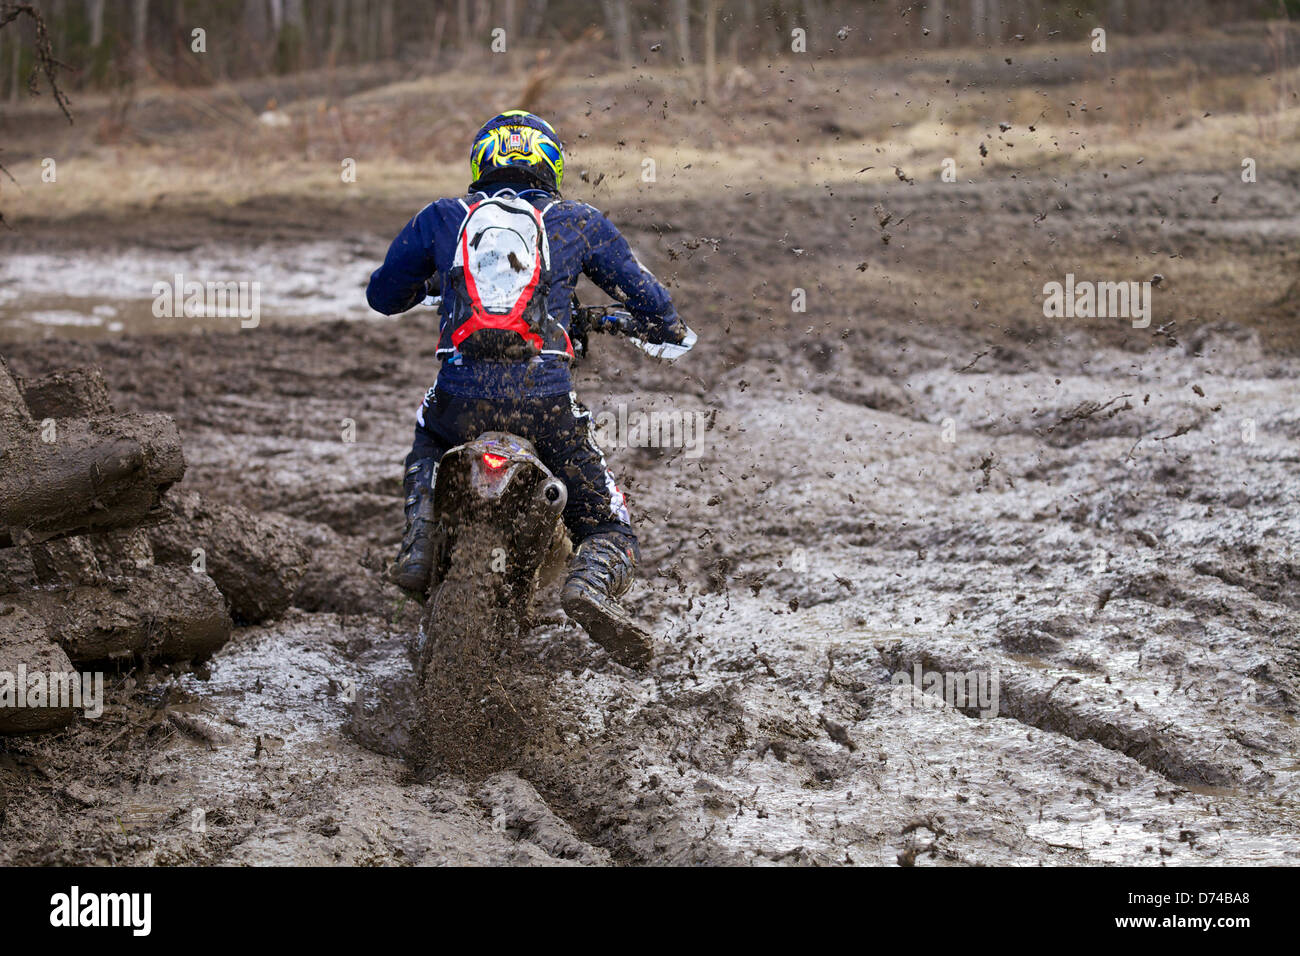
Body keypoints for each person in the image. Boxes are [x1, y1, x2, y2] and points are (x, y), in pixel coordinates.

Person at [365, 110, 694, 668]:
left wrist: (437, 284)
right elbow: (658, 313)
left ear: (480, 162)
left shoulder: (443, 217)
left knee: (428, 433)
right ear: (552, 166)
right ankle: (588, 584)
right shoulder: (577, 221)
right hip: (545, 405)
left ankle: (419, 539)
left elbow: (382, 295)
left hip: (459, 401)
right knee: (609, 523)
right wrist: (605, 320)